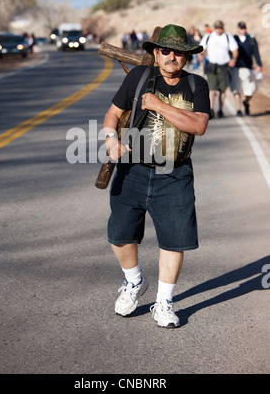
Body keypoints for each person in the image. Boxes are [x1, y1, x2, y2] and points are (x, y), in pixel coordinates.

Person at [103, 24, 210, 328]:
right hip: (133, 168)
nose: (172, 56)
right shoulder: (138, 78)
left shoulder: (196, 85)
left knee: (174, 239)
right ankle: (134, 281)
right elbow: (112, 113)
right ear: (157, 53)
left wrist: (158, 105)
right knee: (120, 234)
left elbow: (199, 125)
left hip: (174, 173)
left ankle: (164, 302)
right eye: (166, 50)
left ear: (187, 57)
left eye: (178, 51)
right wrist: (111, 139)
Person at [199, 20, 238, 118]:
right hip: (212, 66)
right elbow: (201, 49)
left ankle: (220, 109)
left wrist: (234, 59)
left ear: (223, 28)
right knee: (212, 89)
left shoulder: (228, 37)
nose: (219, 30)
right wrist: (200, 55)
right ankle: (211, 109)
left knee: (223, 89)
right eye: (217, 28)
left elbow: (235, 50)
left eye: (220, 28)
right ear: (214, 28)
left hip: (224, 66)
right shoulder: (208, 37)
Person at [231, 21, 263, 115]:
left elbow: (256, 53)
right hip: (236, 68)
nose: (243, 30)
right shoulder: (233, 38)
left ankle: (246, 102)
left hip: (248, 68)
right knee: (236, 89)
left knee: (250, 89)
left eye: (244, 28)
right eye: (241, 28)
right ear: (238, 28)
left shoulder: (251, 39)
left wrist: (259, 64)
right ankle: (238, 110)